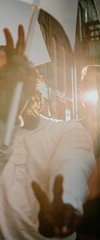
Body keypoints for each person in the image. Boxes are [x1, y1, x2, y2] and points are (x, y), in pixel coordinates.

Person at [0, 25, 96, 239]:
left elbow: (72, 170)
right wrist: (8, 115)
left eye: (12, 72)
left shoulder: (68, 131)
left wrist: (66, 205)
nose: (7, 81)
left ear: (30, 79)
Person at [76, 65, 100, 239]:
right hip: (79, 227)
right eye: (86, 83)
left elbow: (92, 189)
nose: (92, 87)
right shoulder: (75, 127)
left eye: (97, 82)